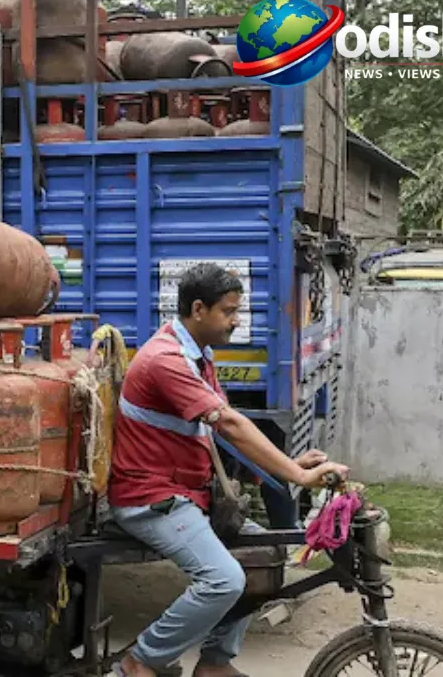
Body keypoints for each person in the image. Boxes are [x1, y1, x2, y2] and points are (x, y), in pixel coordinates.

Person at [108, 263, 350, 677]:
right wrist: (297, 474)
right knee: (223, 580)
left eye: (238, 311)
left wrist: (290, 465)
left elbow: (222, 426)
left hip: (188, 495)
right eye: (229, 311)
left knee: (263, 558)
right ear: (198, 309)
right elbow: (230, 425)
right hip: (150, 499)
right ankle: (141, 659)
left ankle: (216, 664)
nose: (237, 321)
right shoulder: (165, 360)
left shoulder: (197, 355)